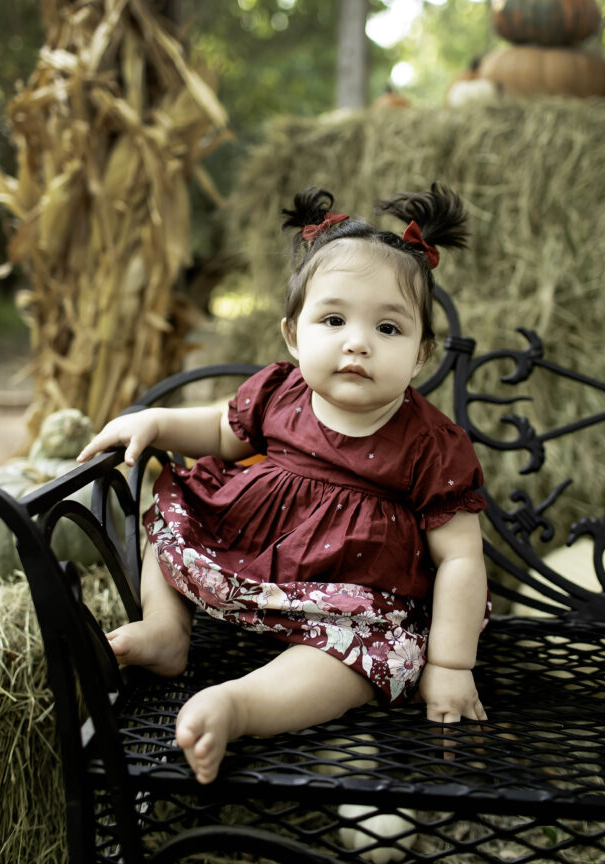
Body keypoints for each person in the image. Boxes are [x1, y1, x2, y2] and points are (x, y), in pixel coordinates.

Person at [78, 184, 490, 785]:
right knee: (177, 507)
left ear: (421, 354)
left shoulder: (431, 444)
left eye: (388, 328)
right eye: (334, 319)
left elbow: (459, 558)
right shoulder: (279, 391)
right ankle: (168, 632)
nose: (358, 341)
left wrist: (451, 664)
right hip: (253, 555)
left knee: (360, 663)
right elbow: (221, 432)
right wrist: (156, 421)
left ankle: (240, 705)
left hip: (353, 601)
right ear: (294, 336)